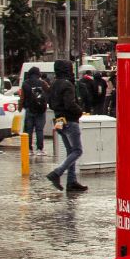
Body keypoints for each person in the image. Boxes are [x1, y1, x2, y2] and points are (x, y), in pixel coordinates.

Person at [45, 60, 87, 193]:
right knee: (77, 151)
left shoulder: (53, 84)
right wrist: (80, 111)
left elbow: (50, 104)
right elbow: (69, 104)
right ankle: (57, 172)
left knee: (70, 151)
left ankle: (71, 181)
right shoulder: (68, 84)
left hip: (58, 121)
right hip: (70, 120)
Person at [19, 66, 49, 157]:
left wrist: (20, 108)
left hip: (29, 109)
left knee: (29, 130)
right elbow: (48, 92)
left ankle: (29, 149)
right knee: (39, 130)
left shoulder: (25, 84)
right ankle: (40, 149)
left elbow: (22, 97)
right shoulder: (43, 83)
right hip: (40, 110)